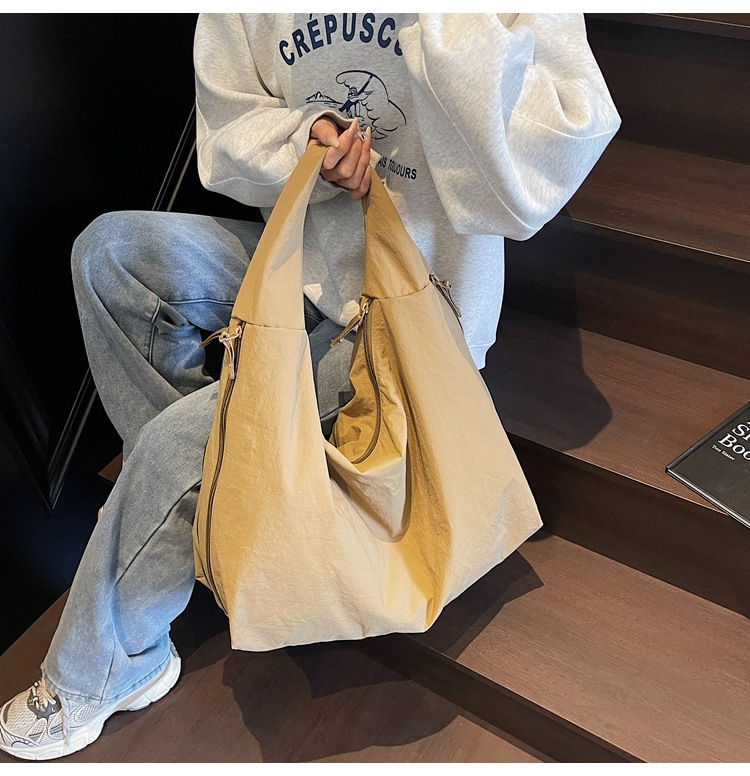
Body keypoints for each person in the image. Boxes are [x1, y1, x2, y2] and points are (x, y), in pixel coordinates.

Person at [0, 13, 620, 760]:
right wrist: (307, 141)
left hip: (420, 306)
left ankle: (103, 668)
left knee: (172, 447)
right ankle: (218, 502)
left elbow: (543, 171)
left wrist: (446, 26)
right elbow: (225, 132)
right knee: (111, 255)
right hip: (303, 267)